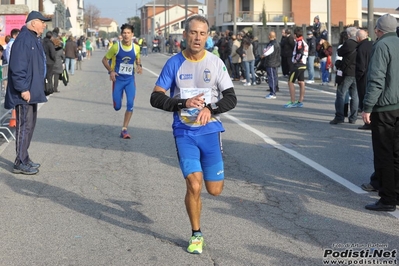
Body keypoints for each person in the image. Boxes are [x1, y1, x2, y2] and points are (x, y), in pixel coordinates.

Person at [150, 15, 237, 254]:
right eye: (193, 33)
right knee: (194, 185)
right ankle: (196, 234)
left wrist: (211, 108)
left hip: (210, 133)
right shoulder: (174, 63)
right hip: (184, 133)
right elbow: (155, 97)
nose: (197, 38)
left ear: (207, 36)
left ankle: (203, 200)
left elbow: (231, 98)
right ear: (185, 35)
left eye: (202, 33)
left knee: (214, 190)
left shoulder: (215, 63)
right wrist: (183, 102)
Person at [4, 11, 50, 175]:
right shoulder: (24, 40)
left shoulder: (33, 39)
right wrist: (23, 89)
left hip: (33, 91)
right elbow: (17, 68)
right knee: (24, 127)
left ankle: (25, 157)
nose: (44, 25)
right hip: (25, 93)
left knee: (29, 126)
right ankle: (20, 161)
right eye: (42, 22)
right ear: (33, 23)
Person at [363, 14, 399, 212]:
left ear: (379, 30)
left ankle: (387, 199)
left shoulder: (381, 46)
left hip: (384, 106)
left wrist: (367, 106)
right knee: (396, 152)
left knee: (383, 153)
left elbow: (376, 79)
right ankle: (396, 193)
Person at [102, 23, 142, 139]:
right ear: (121, 34)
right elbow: (104, 60)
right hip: (118, 80)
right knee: (117, 107)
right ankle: (117, 101)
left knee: (130, 104)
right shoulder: (116, 47)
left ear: (132, 35)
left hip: (130, 80)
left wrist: (139, 65)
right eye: (124, 33)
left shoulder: (136, 47)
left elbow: (138, 57)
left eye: (128, 33)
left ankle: (124, 129)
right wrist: (111, 71)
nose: (126, 35)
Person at [329, 27, 358, 125]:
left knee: (341, 93)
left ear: (349, 35)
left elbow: (340, 52)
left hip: (347, 72)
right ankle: (353, 117)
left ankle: (339, 116)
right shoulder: (361, 43)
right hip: (357, 72)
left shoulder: (349, 43)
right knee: (354, 95)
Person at [284, 27, 308, 108]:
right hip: (303, 65)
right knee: (301, 82)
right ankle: (300, 101)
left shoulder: (299, 42)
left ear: (295, 35)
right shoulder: (303, 41)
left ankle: (292, 101)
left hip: (298, 65)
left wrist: (296, 60)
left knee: (290, 82)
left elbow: (300, 52)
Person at [355, 29, 373, 130]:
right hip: (372, 74)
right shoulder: (373, 44)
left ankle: (367, 122)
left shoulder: (361, 48)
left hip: (363, 77)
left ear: (358, 38)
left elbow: (360, 65)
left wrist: (358, 76)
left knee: (363, 98)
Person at [262, 31, 280, 99]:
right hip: (275, 62)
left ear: (270, 36)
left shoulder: (272, 44)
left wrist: (264, 52)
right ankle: (273, 91)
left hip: (271, 62)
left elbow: (266, 52)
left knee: (271, 78)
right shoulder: (277, 43)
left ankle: (273, 93)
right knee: (274, 77)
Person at [42, 31, 56, 96]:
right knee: (49, 76)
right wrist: (54, 59)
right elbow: (52, 53)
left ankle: (44, 88)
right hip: (50, 61)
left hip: (43, 60)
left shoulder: (42, 41)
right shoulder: (50, 43)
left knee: (44, 76)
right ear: (51, 36)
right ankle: (49, 89)